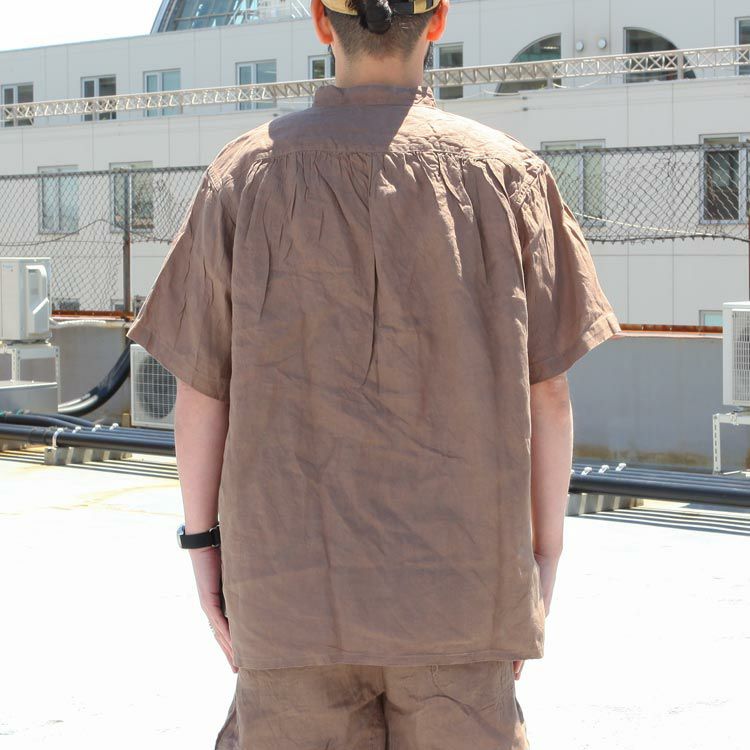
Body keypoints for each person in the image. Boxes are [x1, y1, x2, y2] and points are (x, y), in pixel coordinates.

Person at [126, 0, 621, 746]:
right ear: (438, 20)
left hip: (288, 597)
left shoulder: (243, 175)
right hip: (465, 594)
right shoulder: (507, 174)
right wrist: (542, 560)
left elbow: (201, 393)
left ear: (322, 22)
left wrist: (204, 553)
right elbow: (548, 393)